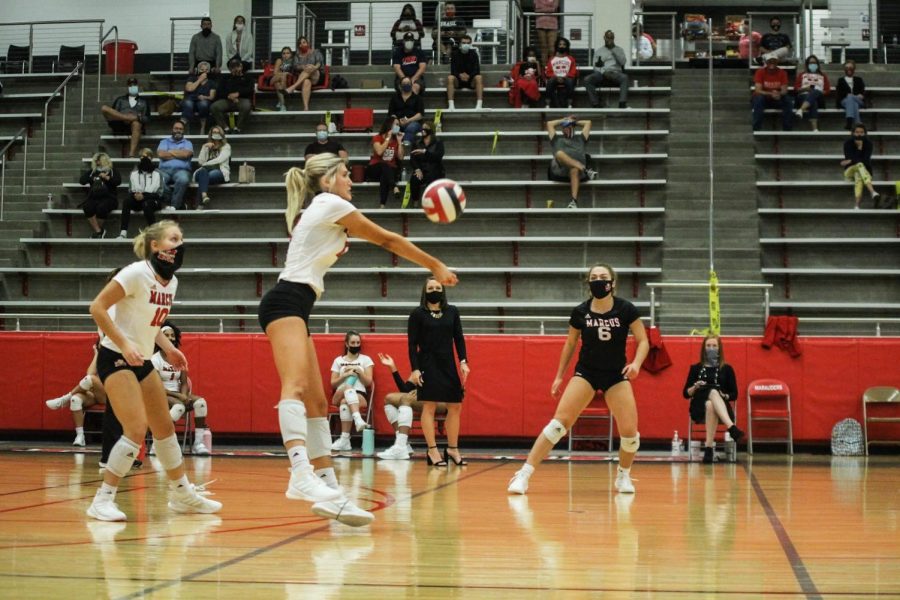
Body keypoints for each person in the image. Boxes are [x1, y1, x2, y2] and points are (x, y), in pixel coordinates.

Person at [256, 152, 457, 526]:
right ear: (329, 179)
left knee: (318, 402)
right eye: (347, 174)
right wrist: (434, 264)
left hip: (297, 305)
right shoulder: (330, 202)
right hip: (285, 301)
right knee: (296, 387)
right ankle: (300, 474)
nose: (352, 180)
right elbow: (387, 239)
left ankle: (331, 493)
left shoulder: (327, 206)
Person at [86, 220, 221, 521]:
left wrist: (168, 348)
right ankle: (102, 499)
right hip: (115, 356)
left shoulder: (171, 282)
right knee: (135, 430)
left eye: (181, 239)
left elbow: (152, 322)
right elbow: (96, 307)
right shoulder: (135, 273)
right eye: (174, 238)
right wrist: (124, 343)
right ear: (156, 245)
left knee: (164, 428)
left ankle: (182, 495)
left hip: (142, 360)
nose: (179, 244)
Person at [507, 263, 648, 495]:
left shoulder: (626, 309)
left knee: (630, 434)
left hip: (615, 375)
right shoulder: (580, 311)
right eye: (594, 277)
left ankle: (623, 476)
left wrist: (636, 364)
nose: (598, 280)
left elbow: (643, 340)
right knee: (558, 425)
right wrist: (559, 376)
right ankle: (523, 474)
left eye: (603, 276)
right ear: (588, 282)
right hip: (587, 372)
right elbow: (570, 344)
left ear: (612, 282)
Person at [407, 277, 470, 467]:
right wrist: (415, 369)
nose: (434, 290)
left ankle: (452, 448)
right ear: (424, 291)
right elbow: (411, 345)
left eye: (437, 287)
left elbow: (459, 338)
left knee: (455, 406)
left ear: (443, 290)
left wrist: (463, 361)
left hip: (448, 363)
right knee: (430, 406)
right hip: (427, 363)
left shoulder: (452, 311)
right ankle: (432, 450)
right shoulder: (417, 314)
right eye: (430, 287)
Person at [151, 322, 212, 456]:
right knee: (179, 407)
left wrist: (184, 395)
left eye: (172, 335)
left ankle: (198, 444)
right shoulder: (154, 359)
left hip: (178, 395)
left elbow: (184, 382)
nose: (170, 338)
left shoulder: (178, 356)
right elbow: (157, 387)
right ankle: (158, 443)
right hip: (160, 394)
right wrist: (181, 397)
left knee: (200, 403)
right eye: (166, 335)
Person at [682, 335, 744, 464]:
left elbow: (734, 394)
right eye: (708, 346)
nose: (711, 348)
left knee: (711, 403)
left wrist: (726, 396)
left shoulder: (727, 369)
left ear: (719, 348)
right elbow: (685, 393)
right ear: (703, 348)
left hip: (720, 406)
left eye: (714, 346)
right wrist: (695, 386)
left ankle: (708, 449)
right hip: (699, 404)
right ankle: (732, 428)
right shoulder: (695, 368)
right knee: (712, 392)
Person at [375, 351, 443, 460]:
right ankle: (403, 445)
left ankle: (400, 447)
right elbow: (405, 390)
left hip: (443, 400)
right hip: (425, 399)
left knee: (406, 399)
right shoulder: (420, 365)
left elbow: (443, 385)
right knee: (389, 399)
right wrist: (393, 367)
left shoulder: (440, 360)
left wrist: (423, 390)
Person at [328, 331, 375, 453]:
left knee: (345, 403)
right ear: (347, 344)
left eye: (358, 342)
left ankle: (345, 440)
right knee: (347, 390)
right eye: (353, 342)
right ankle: (357, 419)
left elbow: (368, 382)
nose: (356, 345)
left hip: (360, 395)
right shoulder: (338, 360)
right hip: (339, 394)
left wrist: (359, 372)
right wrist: (345, 375)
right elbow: (333, 383)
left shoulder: (366, 360)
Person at [45, 372, 106, 447]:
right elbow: (89, 373)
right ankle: (80, 436)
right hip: (94, 392)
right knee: (75, 399)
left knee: (90, 379)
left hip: (110, 395)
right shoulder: (98, 360)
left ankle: (64, 400)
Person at [546, 116, 595, 209]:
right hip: (560, 170)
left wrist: (574, 122)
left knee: (575, 170)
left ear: (572, 128)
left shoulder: (581, 139)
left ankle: (574, 201)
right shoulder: (556, 140)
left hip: (577, 173)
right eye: (564, 128)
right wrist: (564, 120)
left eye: (568, 127)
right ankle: (585, 169)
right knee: (559, 153)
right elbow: (549, 124)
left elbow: (588, 122)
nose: (566, 130)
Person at [100, 77, 150, 158]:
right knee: (104, 108)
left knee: (136, 124)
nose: (132, 86)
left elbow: (147, 118)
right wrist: (125, 117)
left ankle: (131, 154)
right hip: (120, 124)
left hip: (135, 127)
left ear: (137, 86)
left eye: (134, 85)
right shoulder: (120, 100)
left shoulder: (144, 101)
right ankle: (126, 117)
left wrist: (135, 118)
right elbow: (113, 114)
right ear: (127, 87)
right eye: (130, 85)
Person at [120, 147, 163, 239]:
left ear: (152, 158)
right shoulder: (134, 173)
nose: (145, 159)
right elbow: (130, 190)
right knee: (127, 201)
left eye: (147, 156)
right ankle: (123, 233)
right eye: (142, 157)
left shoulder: (158, 173)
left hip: (153, 201)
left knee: (147, 204)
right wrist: (135, 195)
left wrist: (144, 196)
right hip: (138, 200)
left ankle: (155, 233)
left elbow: (160, 193)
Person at [79, 152, 121, 239]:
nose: (97, 162)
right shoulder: (93, 172)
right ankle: (99, 231)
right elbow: (82, 180)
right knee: (87, 206)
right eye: (96, 160)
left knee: (102, 207)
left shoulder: (112, 171)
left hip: (109, 197)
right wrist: (92, 178)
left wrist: (107, 178)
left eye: (99, 160)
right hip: (94, 197)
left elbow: (118, 181)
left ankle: (98, 232)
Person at [366, 116, 404, 209]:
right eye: (396, 124)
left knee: (385, 175)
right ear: (389, 125)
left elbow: (401, 157)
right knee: (384, 165)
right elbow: (379, 152)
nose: (398, 126)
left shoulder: (396, 141)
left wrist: (399, 142)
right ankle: (394, 186)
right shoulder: (377, 137)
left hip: (390, 170)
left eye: (398, 125)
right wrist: (388, 138)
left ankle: (382, 205)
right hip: (375, 168)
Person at [585, 31, 629, 109]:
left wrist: (614, 51)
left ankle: (622, 103)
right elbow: (595, 66)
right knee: (587, 79)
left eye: (611, 38)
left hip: (615, 73)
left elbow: (623, 62)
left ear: (613, 38)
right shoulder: (599, 51)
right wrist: (604, 72)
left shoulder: (619, 50)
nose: (609, 39)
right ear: (604, 38)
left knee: (624, 77)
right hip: (601, 74)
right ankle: (595, 104)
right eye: (607, 37)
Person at [841, 123, 880, 209]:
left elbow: (865, 160)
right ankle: (872, 191)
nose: (859, 134)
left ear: (865, 133)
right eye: (857, 132)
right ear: (853, 133)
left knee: (858, 176)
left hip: (865, 171)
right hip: (849, 172)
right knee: (859, 165)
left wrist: (851, 160)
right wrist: (859, 148)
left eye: (861, 132)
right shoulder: (847, 143)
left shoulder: (869, 144)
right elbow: (851, 160)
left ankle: (857, 205)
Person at [156, 121, 194, 210]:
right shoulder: (164, 142)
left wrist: (169, 152)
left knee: (183, 179)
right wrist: (179, 154)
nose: (178, 130)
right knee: (156, 179)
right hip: (164, 170)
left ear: (183, 131)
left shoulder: (188, 143)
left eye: (180, 129)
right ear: (172, 130)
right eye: (176, 128)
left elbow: (186, 155)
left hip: (181, 171)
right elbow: (161, 154)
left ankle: (174, 206)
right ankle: (176, 201)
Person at [211, 58, 254, 134]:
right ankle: (225, 128)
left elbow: (250, 90)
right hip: (227, 99)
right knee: (214, 106)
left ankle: (238, 128)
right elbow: (219, 92)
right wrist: (229, 96)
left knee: (247, 106)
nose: (235, 69)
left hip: (242, 99)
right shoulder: (225, 78)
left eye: (236, 66)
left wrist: (238, 94)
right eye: (232, 67)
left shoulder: (248, 77)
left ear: (241, 66)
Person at [751, 56, 793, 132]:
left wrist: (778, 94)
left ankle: (787, 128)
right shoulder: (760, 72)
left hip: (777, 98)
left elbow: (784, 90)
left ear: (777, 62)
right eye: (770, 61)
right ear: (766, 62)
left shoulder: (782, 73)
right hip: (763, 99)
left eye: (774, 61)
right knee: (759, 99)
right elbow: (758, 90)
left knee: (788, 100)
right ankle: (756, 128)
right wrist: (771, 94)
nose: (772, 63)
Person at [409, 121, 444, 209]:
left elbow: (438, 157)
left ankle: (429, 204)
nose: (423, 130)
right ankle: (415, 201)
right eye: (422, 128)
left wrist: (425, 152)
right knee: (414, 179)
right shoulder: (417, 143)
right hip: (421, 169)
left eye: (425, 128)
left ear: (431, 130)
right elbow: (412, 158)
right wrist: (417, 169)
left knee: (431, 178)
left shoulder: (438, 142)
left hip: (435, 169)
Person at [193, 125, 231, 209]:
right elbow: (200, 162)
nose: (216, 134)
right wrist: (204, 147)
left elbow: (219, 160)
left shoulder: (226, 146)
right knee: (203, 172)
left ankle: (199, 205)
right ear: (211, 134)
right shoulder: (207, 146)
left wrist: (205, 164)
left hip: (219, 171)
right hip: (205, 171)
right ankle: (204, 195)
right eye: (214, 132)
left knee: (203, 177)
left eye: (218, 132)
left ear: (221, 134)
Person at [285, 37, 324, 112]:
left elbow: (319, 63)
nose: (302, 44)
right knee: (306, 81)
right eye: (300, 43)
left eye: (304, 42)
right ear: (298, 46)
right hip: (302, 78)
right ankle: (306, 108)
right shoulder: (297, 56)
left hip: (315, 75)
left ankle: (292, 87)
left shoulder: (315, 52)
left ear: (308, 43)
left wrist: (314, 67)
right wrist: (303, 67)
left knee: (310, 67)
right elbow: (295, 67)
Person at [793, 55, 830, 132]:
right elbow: (796, 89)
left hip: (819, 97)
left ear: (817, 64)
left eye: (814, 63)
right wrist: (805, 89)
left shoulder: (823, 76)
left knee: (815, 92)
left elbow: (827, 90)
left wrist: (819, 92)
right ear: (807, 64)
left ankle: (801, 110)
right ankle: (815, 128)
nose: (812, 64)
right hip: (803, 96)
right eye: (810, 63)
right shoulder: (802, 75)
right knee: (813, 101)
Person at [447, 34, 483, 110]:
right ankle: (451, 105)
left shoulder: (474, 54)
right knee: (450, 78)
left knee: (479, 77)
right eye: (463, 43)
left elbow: (477, 70)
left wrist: (469, 76)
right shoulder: (455, 54)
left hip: (470, 80)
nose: (465, 44)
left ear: (470, 44)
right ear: (460, 44)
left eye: (467, 43)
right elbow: (453, 70)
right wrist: (460, 75)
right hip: (458, 81)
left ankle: (479, 105)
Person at [182, 61, 217, 133]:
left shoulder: (211, 82)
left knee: (204, 104)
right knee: (188, 104)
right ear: (198, 70)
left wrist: (204, 97)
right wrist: (200, 79)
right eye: (202, 69)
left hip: (203, 100)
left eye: (206, 70)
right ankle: (183, 127)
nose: (204, 71)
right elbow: (189, 89)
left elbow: (212, 97)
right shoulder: (192, 78)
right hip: (191, 98)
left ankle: (202, 128)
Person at [388, 76, 425, 144]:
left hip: (413, 121)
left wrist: (408, 120)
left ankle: (406, 142)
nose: (406, 85)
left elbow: (420, 114)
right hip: (398, 121)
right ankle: (394, 144)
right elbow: (391, 113)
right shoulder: (394, 98)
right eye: (404, 83)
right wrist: (395, 119)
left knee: (411, 127)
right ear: (400, 86)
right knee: (393, 126)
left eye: (408, 83)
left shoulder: (418, 98)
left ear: (411, 85)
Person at [544, 37, 577, 109]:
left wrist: (565, 77)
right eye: (560, 44)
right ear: (557, 46)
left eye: (564, 44)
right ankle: (547, 104)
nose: (562, 46)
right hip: (555, 78)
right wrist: (556, 77)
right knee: (550, 81)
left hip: (567, 78)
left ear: (567, 46)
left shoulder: (571, 58)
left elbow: (573, 71)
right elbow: (548, 72)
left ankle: (569, 104)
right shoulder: (552, 59)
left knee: (570, 81)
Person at [836, 60, 866, 130]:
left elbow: (862, 91)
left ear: (854, 69)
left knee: (851, 98)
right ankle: (858, 123)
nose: (849, 69)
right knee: (853, 102)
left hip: (858, 100)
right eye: (847, 67)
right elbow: (839, 93)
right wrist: (849, 95)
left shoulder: (859, 79)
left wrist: (861, 95)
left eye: (851, 67)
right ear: (844, 69)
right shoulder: (840, 80)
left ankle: (849, 121)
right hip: (844, 101)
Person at [271, 46, 297, 112]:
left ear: (291, 54)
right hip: (273, 79)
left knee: (278, 83)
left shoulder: (293, 61)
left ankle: (282, 104)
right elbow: (275, 73)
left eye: (288, 53)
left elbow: (293, 73)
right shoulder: (279, 60)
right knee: (282, 75)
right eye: (284, 53)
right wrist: (283, 73)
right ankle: (283, 99)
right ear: (281, 55)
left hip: (282, 81)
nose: (285, 55)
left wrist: (285, 74)